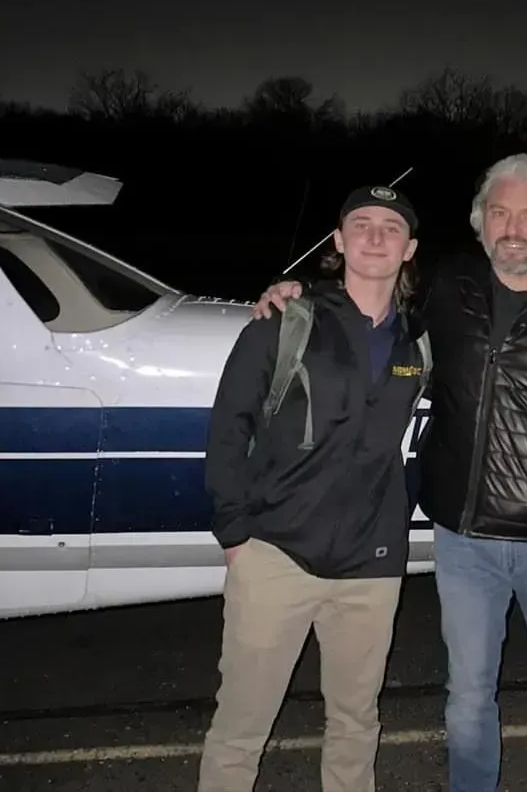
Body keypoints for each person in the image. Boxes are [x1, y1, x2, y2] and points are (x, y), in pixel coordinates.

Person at [252, 154, 527, 792]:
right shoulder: (449, 286)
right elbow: (373, 312)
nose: (513, 228)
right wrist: (299, 293)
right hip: (463, 541)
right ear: (480, 223)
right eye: (499, 212)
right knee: (467, 699)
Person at [198, 185, 430, 792]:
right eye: (361, 224)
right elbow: (228, 429)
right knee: (241, 726)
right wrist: (235, 536)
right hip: (275, 554)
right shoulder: (286, 320)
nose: (376, 236)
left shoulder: (421, 341)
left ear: (410, 249)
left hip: (372, 564)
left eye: (390, 227)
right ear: (337, 242)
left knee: (356, 723)